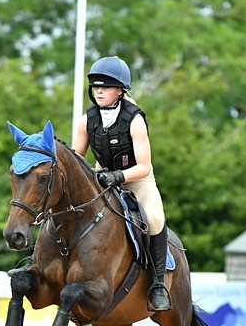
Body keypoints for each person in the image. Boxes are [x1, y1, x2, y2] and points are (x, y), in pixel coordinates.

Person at [72, 55, 172, 311]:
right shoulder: (86, 120)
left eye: (106, 86)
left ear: (120, 90)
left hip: (136, 179)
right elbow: (76, 158)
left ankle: (158, 284)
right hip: (100, 177)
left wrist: (118, 176)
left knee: (155, 219)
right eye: (96, 86)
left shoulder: (134, 119)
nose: (100, 91)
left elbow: (144, 166)